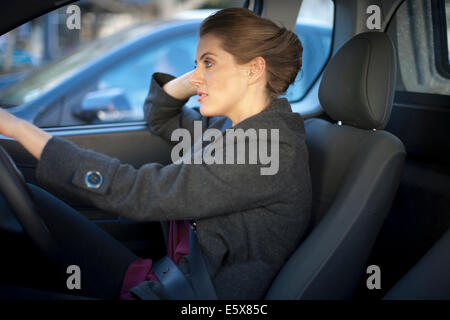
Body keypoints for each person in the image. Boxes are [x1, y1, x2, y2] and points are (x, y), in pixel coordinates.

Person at [0, 8, 312, 300]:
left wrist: (18, 128)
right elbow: (160, 116)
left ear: (255, 69)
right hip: (169, 274)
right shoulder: (229, 128)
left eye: (209, 62)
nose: (196, 76)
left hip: (190, 294)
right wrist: (201, 77)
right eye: (196, 64)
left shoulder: (266, 149)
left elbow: (143, 192)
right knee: (32, 200)